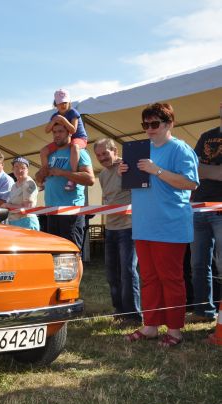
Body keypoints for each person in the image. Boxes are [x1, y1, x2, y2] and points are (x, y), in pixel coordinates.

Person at [119, 103, 199, 347]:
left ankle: (175, 330)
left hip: (170, 225)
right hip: (144, 224)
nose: (149, 129)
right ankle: (150, 326)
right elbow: (142, 185)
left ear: (169, 124)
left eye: (155, 124)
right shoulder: (141, 150)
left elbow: (191, 184)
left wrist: (157, 170)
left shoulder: (180, 149)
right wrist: (126, 171)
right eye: (146, 125)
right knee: (149, 278)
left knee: (171, 278)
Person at [94, 138, 141, 325]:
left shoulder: (128, 165)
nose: (102, 158)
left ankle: (134, 315)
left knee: (128, 271)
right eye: (98, 155)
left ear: (114, 150)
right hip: (111, 228)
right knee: (112, 273)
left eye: (105, 153)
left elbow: (141, 190)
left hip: (129, 226)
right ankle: (120, 310)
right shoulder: (103, 175)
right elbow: (107, 200)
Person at [188, 102, 222, 324]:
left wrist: (205, 170)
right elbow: (192, 168)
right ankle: (203, 311)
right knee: (198, 264)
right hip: (198, 207)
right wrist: (213, 171)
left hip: (220, 209)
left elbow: (203, 169)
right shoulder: (206, 136)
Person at [38, 123, 95, 248]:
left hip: (71, 211)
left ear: (69, 132)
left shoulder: (79, 152)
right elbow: (39, 180)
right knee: (55, 254)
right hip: (51, 211)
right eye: (54, 132)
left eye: (60, 131)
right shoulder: (49, 154)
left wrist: (62, 173)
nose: (57, 135)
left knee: (71, 253)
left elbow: (90, 179)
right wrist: (41, 172)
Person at [38, 89, 88, 191]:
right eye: (60, 103)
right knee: (43, 151)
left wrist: (64, 120)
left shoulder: (73, 112)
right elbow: (47, 130)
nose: (63, 105)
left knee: (75, 146)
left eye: (65, 102)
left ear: (69, 102)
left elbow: (73, 130)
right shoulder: (55, 116)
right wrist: (54, 121)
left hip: (79, 138)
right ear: (55, 104)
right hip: (64, 141)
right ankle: (46, 175)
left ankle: (73, 177)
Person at [1, 156, 39, 230]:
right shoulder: (14, 186)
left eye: (23, 167)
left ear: (27, 170)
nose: (19, 170)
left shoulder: (29, 183)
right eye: (16, 167)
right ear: (12, 169)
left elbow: (27, 208)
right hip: (13, 223)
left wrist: (7, 205)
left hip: (26, 222)